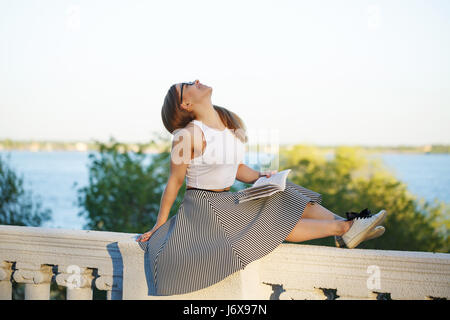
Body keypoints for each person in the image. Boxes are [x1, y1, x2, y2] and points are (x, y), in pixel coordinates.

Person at [136, 79, 387, 296]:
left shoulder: (226, 122)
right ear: (186, 105)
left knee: (286, 191)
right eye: (188, 85)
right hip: (204, 209)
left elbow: (236, 168)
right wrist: (160, 223)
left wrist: (261, 176)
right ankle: (345, 228)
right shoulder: (187, 134)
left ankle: (350, 228)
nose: (196, 81)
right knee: (272, 223)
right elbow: (175, 182)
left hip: (226, 200)